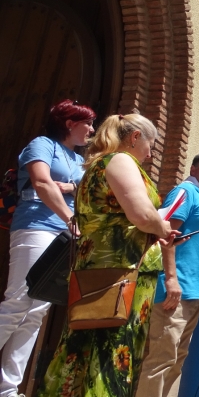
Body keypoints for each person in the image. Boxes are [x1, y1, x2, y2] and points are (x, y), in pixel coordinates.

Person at [39, 113, 180, 396]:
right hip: (120, 272)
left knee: (84, 345)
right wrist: (162, 226)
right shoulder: (121, 161)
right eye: (150, 145)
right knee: (113, 346)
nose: (151, 154)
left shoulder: (95, 166)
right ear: (135, 137)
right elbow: (140, 214)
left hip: (98, 268)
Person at [0, 99, 95, 397]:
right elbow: (41, 182)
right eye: (88, 123)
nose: (92, 129)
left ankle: (7, 389)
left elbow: (87, 189)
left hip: (65, 236)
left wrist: (70, 189)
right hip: (36, 227)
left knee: (36, 312)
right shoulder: (42, 144)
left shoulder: (79, 160)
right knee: (17, 304)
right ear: (69, 124)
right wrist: (69, 218)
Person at [136, 152, 199, 397]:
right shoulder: (185, 192)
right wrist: (171, 278)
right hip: (174, 290)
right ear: (193, 170)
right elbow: (163, 234)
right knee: (160, 360)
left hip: (195, 292)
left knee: (175, 361)